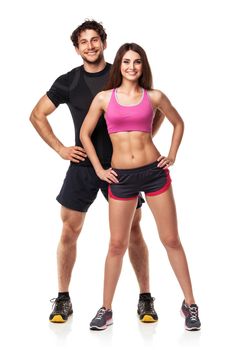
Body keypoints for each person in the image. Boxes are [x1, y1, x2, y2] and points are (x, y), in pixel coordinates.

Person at [29, 20, 164, 324]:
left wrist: (146, 139)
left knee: (133, 230)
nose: (90, 46)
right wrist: (60, 148)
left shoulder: (122, 73)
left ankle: (145, 298)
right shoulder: (69, 81)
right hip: (84, 167)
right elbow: (37, 115)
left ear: (104, 42)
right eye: (83, 42)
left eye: (94, 40)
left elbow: (154, 106)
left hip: (121, 170)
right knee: (69, 230)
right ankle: (63, 298)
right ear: (76, 48)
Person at [80, 43, 201, 331]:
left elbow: (178, 123)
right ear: (119, 65)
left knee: (171, 239)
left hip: (154, 173)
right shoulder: (104, 98)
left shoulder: (154, 96)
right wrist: (99, 168)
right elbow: (85, 134)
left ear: (143, 66)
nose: (131, 67)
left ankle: (191, 305)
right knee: (117, 244)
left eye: (137, 62)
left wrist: (171, 154)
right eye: (126, 62)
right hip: (120, 177)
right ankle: (106, 309)